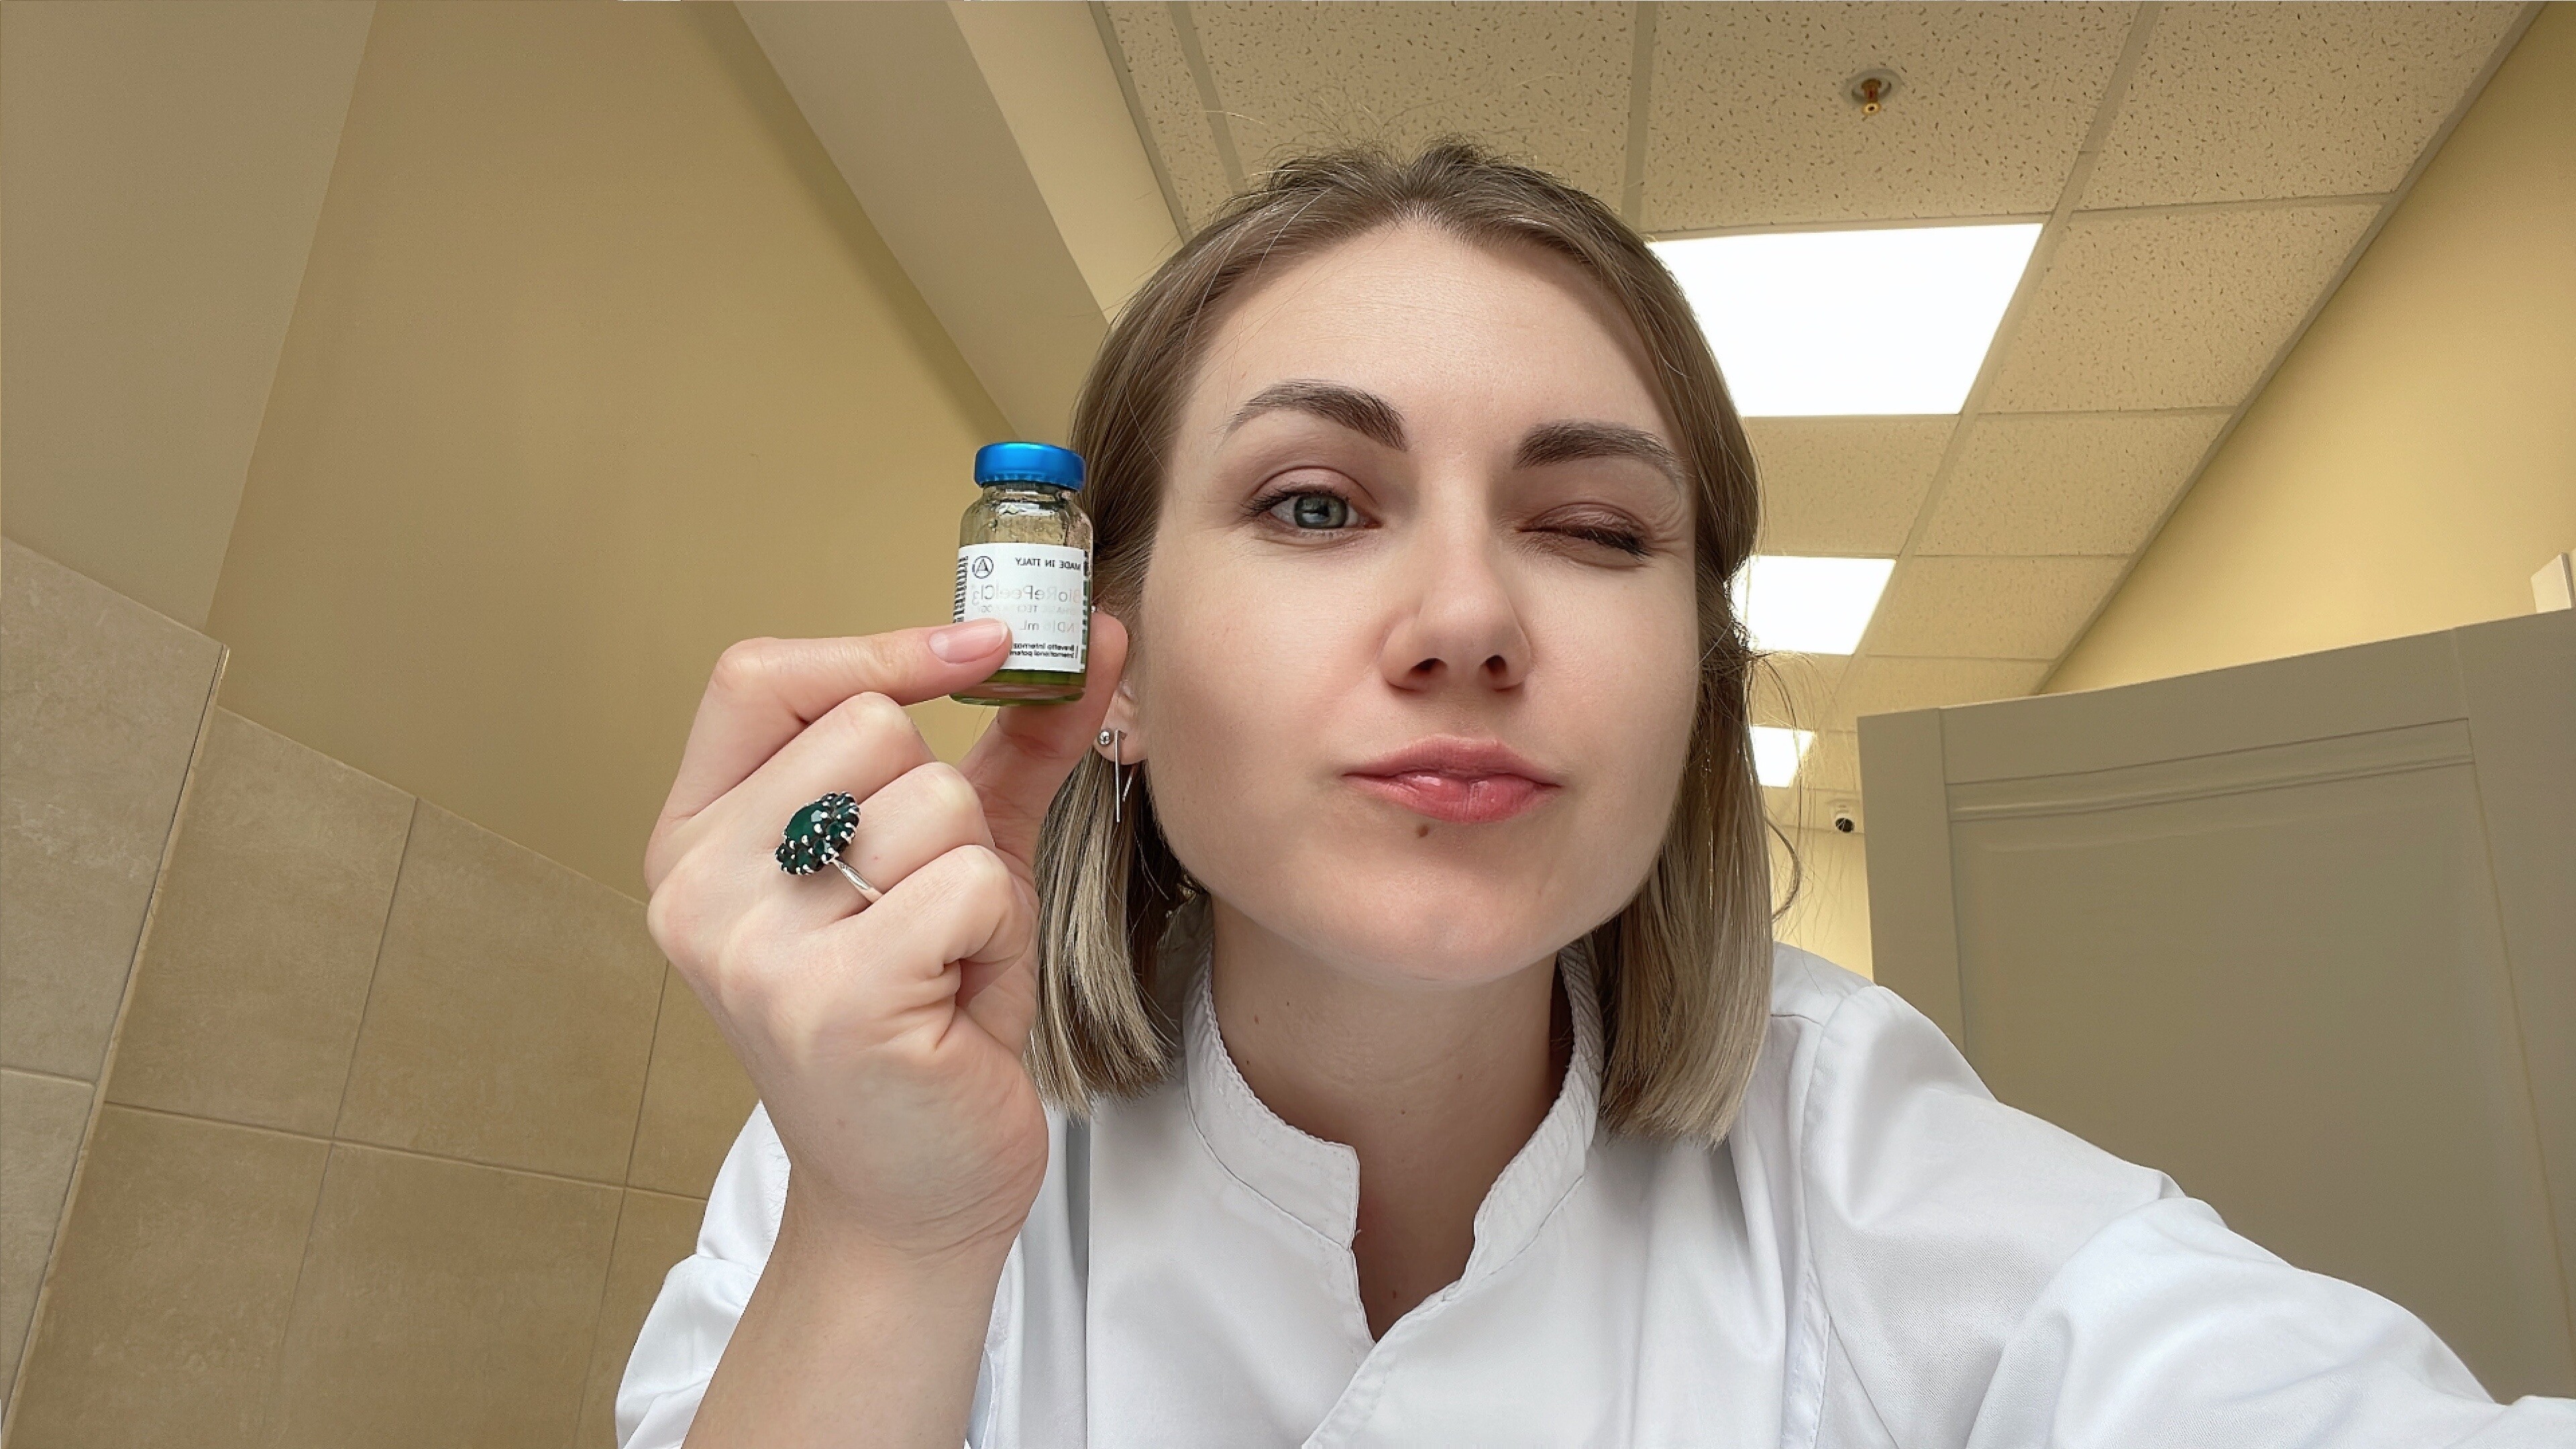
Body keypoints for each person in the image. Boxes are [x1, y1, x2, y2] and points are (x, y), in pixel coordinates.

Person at [616, 142, 2571, 1448]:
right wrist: (886, 1243)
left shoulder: (1854, 1153)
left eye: (1595, 528)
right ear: (1103, 659)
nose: (1470, 619)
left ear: (1693, 690)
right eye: (1316, 505)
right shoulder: (876, 1124)